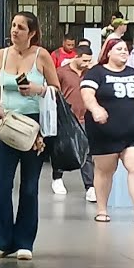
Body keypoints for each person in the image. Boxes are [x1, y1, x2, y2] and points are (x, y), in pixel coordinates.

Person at [0, 12, 58, 261]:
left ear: (32, 33)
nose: (15, 31)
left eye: (21, 27)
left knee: (29, 186)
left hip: (34, 127)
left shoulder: (42, 56)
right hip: (7, 123)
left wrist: (37, 89)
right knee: (2, 186)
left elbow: (57, 90)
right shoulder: (0, 55)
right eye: (13, 26)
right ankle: (2, 240)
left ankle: (25, 241)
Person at [81, 38, 134, 223]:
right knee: (104, 171)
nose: (124, 52)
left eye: (126, 49)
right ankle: (102, 210)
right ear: (108, 52)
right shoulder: (96, 73)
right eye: (119, 49)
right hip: (105, 132)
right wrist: (96, 109)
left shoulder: (133, 73)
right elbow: (87, 94)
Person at [52, 44, 96, 201]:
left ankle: (90, 186)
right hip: (67, 117)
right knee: (63, 148)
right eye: (84, 60)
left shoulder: (90, 73)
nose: (86, 64)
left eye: (89, 61)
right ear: (76, 57)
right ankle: (57, 177)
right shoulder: (61, 72)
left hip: (86, 117)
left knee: (86, 151)